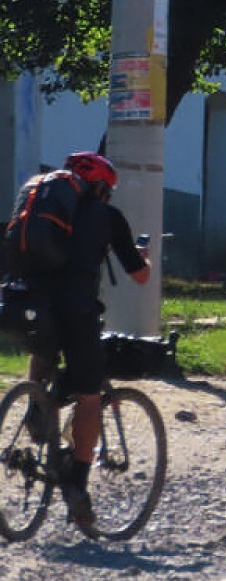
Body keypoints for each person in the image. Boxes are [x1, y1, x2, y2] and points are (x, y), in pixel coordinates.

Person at [22, 152, 149, 528]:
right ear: (101, 190)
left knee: (45, 347)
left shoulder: (44, 209)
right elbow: (139, 276)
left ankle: (37, 404)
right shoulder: (107, 217)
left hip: (26, 303)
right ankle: (77, 481)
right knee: (91, 394)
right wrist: (145, 257)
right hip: (76, 309)